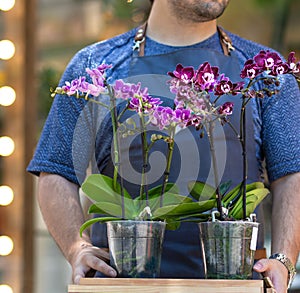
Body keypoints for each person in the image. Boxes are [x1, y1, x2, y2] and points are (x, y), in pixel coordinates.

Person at [27, 1, 300, 292]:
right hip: (121, 286)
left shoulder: (265, 70)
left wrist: (283, 260)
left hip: (234, 284)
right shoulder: (96, 66)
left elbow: (292, 174)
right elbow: (56, 171)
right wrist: (76, 247)